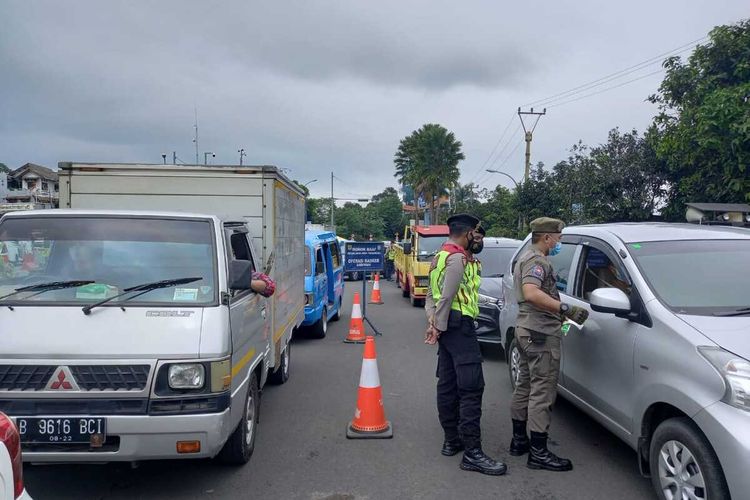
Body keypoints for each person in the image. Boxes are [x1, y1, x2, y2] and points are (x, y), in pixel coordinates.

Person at [425, 214, 506, 476]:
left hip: (449, 326)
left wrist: (434, 321)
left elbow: (430, 295)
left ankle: (452, 440)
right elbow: (446, 296)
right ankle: (473, 453)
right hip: (458, 326)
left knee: (447, 382)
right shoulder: (457, 258)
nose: (479, 240)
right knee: (471, 387)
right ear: (468, 233)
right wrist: (437, 326)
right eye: (478, 235)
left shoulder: (440, 256)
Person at [508, 217, 589, 472]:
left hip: (526, 330)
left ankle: (519, 441)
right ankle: (539, 453)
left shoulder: (526, 257)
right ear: (546, 237)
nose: (559, 242)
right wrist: (565, 308)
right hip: (540, 332)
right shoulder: (537, 260)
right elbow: (532, 292)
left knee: (524, 385)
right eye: (559, 237)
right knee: (542, 392)